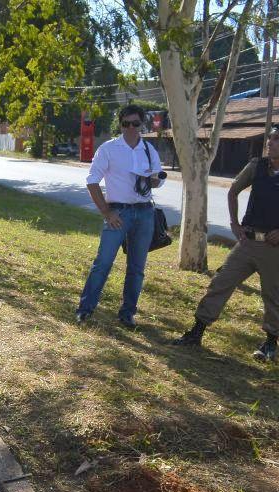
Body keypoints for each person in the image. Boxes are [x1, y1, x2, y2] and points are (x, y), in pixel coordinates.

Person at [173, 123, 279, 361]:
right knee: (221, 282)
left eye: (277, 139)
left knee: (273, 295)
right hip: (248, 242)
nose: (270, 142)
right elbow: (233, 191)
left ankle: (270, 343)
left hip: (276, 248)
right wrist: (234, 224)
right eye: (270, 138)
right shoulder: (257, 166)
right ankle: (196, 332)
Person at [75, 104, 165, 329]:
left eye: (135, 124)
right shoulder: (109, 149)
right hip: (119, 212)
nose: (131, 128)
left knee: (137, 268)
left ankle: (127, 314)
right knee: (103, 263)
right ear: (121, 124)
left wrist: (154, 180)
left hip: (144, 213)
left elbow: (158, 178)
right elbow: (92, 181)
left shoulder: (148, 149)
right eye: (126, 124)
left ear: (141, 124)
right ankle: (85, 310)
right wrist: (106, 211)